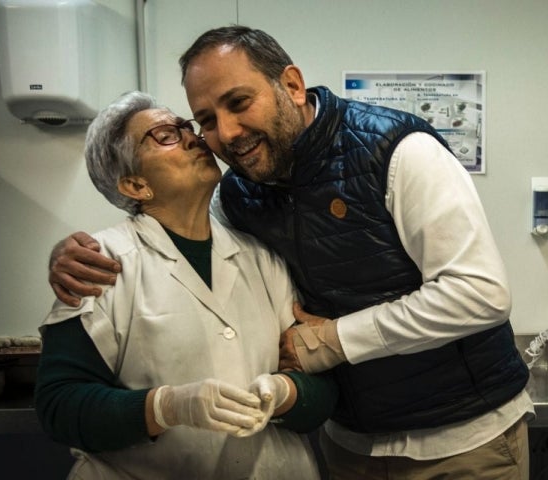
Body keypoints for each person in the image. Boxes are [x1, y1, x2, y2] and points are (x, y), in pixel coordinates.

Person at [49, 26, 534, 480]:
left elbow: (480, 294)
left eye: (239, 102)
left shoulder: (398, 151)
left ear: (293, 85)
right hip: (351, 445)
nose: (225, 134)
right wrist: (68, 251)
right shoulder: (238, 197)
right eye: (205, 121)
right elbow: (167, 232)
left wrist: (325, 350)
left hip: (459, 441)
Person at [36, 90, 337, 480]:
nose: (193, 138)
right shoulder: (96, 262)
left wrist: (284, 396)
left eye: (185, 127)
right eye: (165, 135)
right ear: (135, 185)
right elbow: (59, 406)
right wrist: (166, 408)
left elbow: (323, 392)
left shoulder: (262, 257)